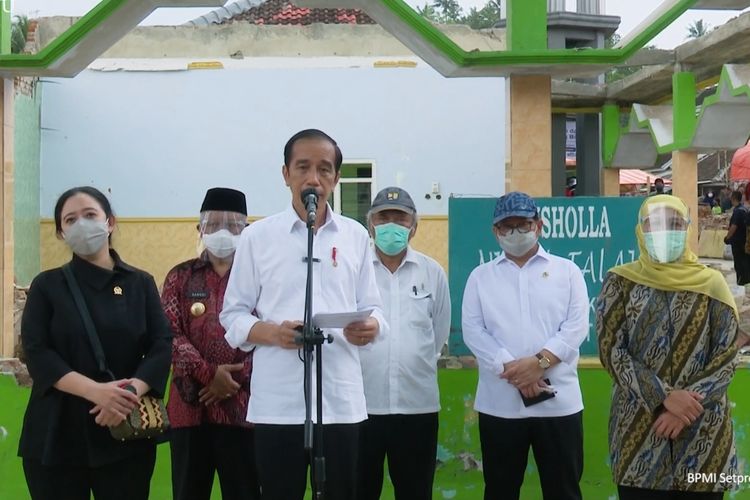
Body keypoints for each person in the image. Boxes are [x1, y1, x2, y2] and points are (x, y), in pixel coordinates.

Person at [220, 129, 386, 500]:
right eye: (303, 167)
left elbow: (374, 308)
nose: (314, 178)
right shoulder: (257, 237)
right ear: (286, 174)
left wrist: (371, 326)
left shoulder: (356, 236)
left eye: (325, 170)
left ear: (336, 178)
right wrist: (273, 333)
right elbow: (232, 315)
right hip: (278, 403)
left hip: (340, 401)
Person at [18, 186, 172, 500]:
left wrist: (127, 395)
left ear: (110, 222)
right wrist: (97, 393)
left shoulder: (139, 283)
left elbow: (161, 344)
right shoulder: (47, 285)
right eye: (70, 220)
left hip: (125, 430)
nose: (81, 225)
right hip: (55, 433)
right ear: (60, 233)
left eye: (90, 215)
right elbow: (36, 350)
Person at [597, 195, 739, 500]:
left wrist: (684, 409)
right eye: (655, 224)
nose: (665, 231)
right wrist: (663, 398)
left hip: (704, 436)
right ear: (641, 230)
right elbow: (612, 351)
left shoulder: (712, 282)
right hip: (639, 433)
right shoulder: (620, 282)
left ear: (687, 229)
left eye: (675, 224)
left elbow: (727, 354)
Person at [462, 191, 589, 500]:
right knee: (500, 490)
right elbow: (473, 331)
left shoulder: (567, 272)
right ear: (495, 231)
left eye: (523, 224)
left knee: (564, 491)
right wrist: (516, 370)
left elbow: (576, 327)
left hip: (559, 405)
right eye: (507, 226)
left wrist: (539, 364)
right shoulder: (480, 277)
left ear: (539, 226)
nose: (515, 232)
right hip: (500, 406)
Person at [162, 187, 259, 500]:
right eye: (214, 224)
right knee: (189, 491)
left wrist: (232, 379)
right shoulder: (180, 276)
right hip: (190, 409)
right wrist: (209, 374)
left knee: (244, 491)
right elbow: (170, 334)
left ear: (246, 230)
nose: (223, 232)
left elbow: (267, 335)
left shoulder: (261, 278)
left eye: (232, 225)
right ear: (200, 229)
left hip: (242, 408)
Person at [357, 187, 450, 500]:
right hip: (360, 408)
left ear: (414, 226)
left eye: (400, 217)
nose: (392, 224)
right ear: (371, 224)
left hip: (417, 408)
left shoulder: (432, 272)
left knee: (415, 492)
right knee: (358, 491)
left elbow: (438, 334)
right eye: (384, 216)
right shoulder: (354, 271)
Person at [724, 190, 749, 286]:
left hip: (738, 242)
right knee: (746, 261)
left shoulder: (738, 211)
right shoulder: (745, 209)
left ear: (733, 198)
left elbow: (734, 227)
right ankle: (746, 281)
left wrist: (727, 238)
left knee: (739, 263)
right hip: (746, 241)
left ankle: (741, 282)